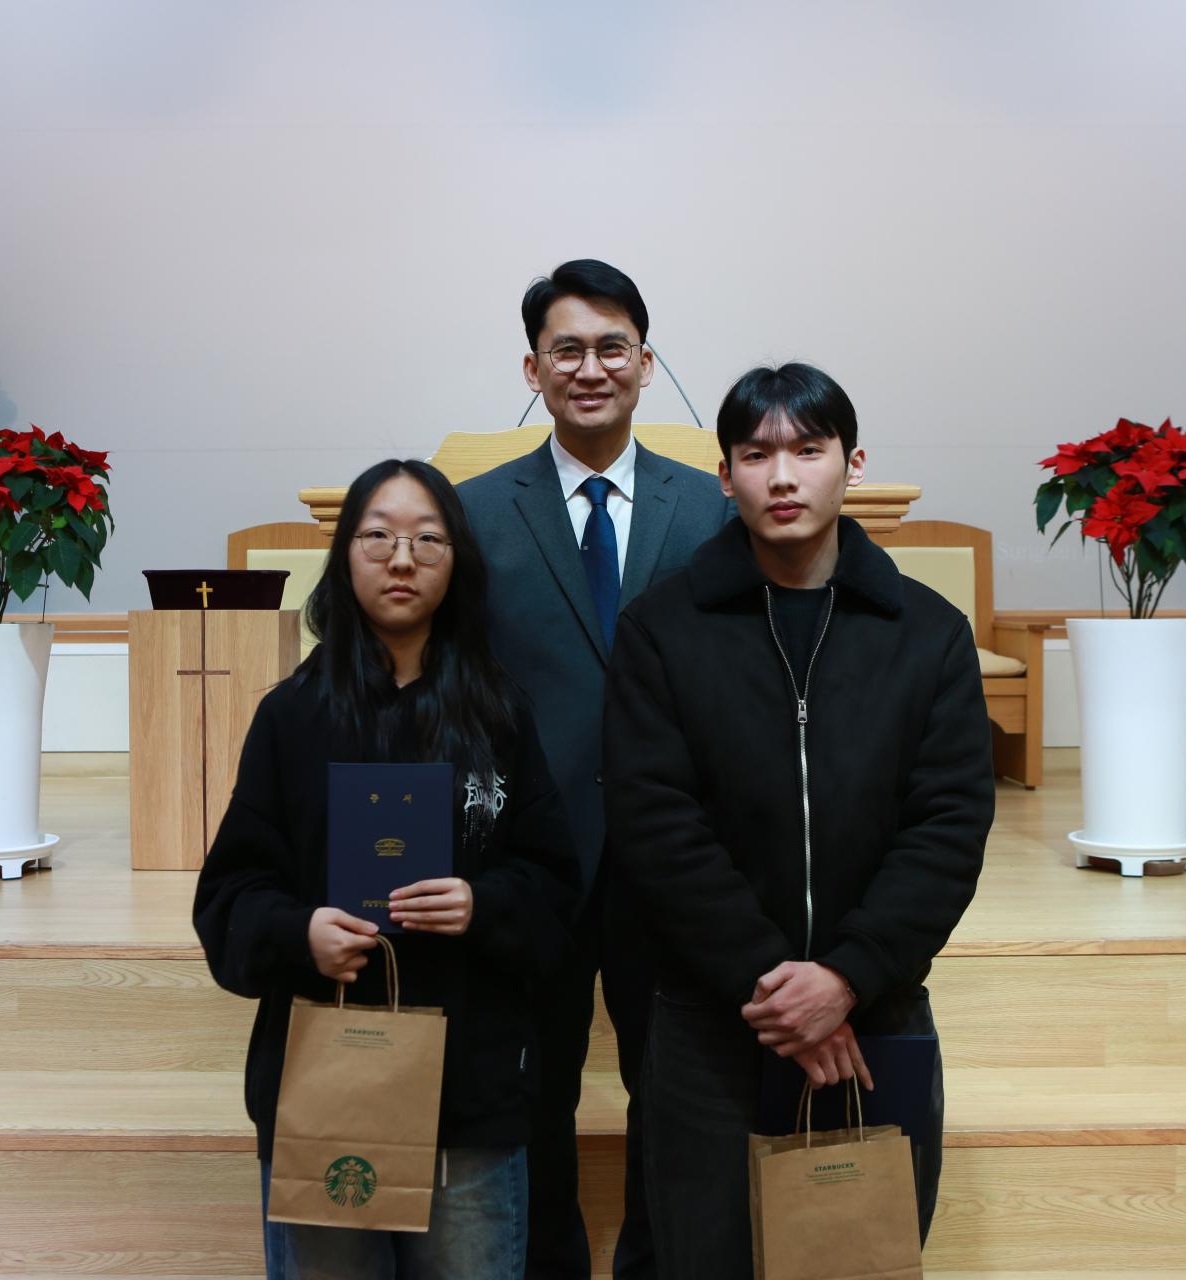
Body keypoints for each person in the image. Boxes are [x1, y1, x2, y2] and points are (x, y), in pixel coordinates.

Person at [601, 362, 993, 1278]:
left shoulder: (928, 633)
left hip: (877, 1014)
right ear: (725, 474)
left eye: (808, 451)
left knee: (858, 1263)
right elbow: (656, 822)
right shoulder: (662, 629)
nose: (782, 477)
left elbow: (947, 826)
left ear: (853, 465)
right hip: (712, 1020)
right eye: (756, 454)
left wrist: (846, 978)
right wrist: (776, 985)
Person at [194, 459, 581, 1279]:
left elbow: (554, 886)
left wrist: (481, 904)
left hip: (470, 1093)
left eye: (427, 540)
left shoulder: (499, 715)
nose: (402, 559)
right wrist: (301, 933)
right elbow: (229, 896)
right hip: (326, 1087)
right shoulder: (291, 716)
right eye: (378, 537)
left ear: (456, 562)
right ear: (344, 556)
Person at [457, 259, 732, 1278]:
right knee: (537, 1090)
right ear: (532, 370)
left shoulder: (710, 508)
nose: (590, 367)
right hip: (536, 857)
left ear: (646, 365)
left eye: (613, 347)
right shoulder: (474, 511)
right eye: (566, 349)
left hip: (675, 853)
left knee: (676, 1089)